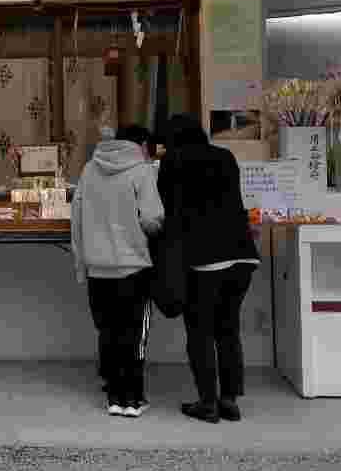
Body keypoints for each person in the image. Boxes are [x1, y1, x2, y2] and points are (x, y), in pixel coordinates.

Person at [155, 114, 261, 424]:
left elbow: (166, 208)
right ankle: (229, 399)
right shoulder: (225, 157)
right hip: (242, 256)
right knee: (227, 328)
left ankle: (207, 403)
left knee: (200, 330)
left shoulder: (174, 161)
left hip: (205, 259)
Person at [71, 123, 163, 418]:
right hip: (132, 267)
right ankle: (132, 399)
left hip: (97, 269)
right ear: (142, 145)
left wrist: (81, 264)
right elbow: (151, 218)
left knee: (108, 333)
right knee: (134, 335)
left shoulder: (89, 170)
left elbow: (76, 221)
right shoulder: (142, 171)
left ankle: (113, 397)